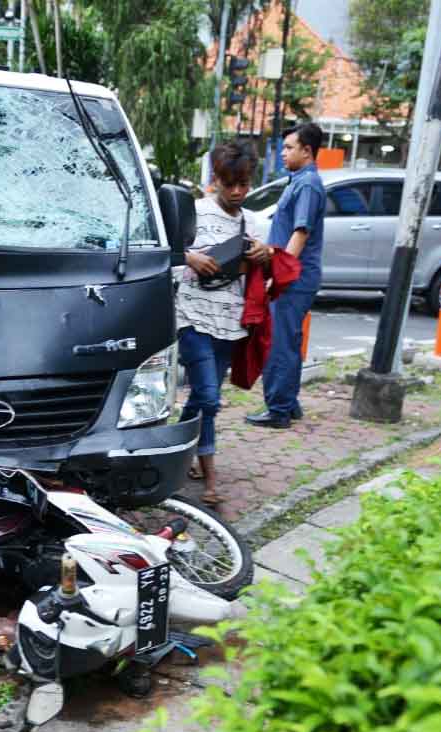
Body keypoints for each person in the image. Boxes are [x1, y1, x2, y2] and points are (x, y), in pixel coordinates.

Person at [176, 142, 271, 505]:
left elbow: (268, 273)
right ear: (215, 179)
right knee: (211, 399)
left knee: (202, 397)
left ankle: (182, 452)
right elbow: (163, 251)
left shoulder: (254, 222)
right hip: (193, 317)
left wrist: (267, 255)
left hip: (231, 324)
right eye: (229, 183)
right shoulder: (193, 212)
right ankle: (211, 474)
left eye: (243, 184)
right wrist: (190, 257)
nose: (236, 191)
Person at [246, 123, 326, 429]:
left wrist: (279, 273)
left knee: (280, 342)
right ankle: (288, 404)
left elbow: (300, 233)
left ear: (307, 151)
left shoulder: (307, 185)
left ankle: (278, 409)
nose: (284, 152)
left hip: (294, 280)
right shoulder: (299, 180)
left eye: (290, 147)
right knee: (287, 340)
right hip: (296, 277)